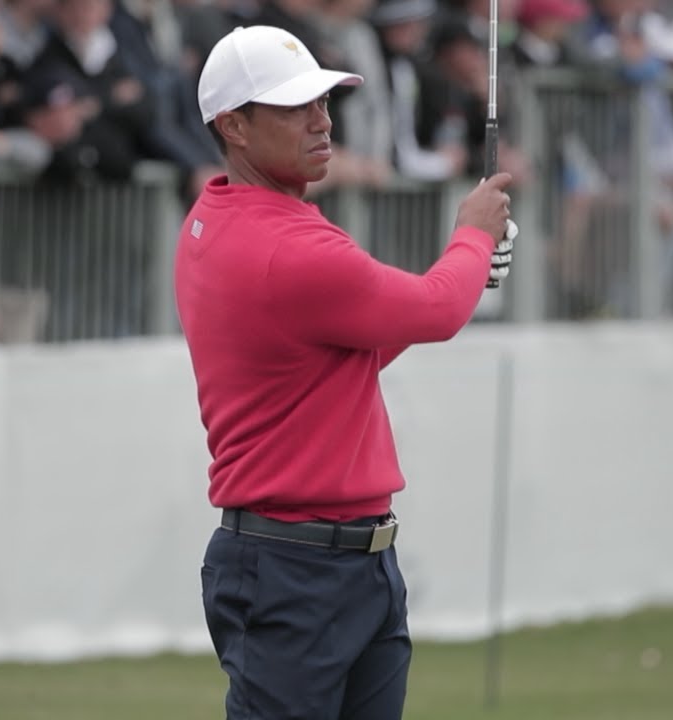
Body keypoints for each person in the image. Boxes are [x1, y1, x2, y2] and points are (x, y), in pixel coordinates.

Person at [174, 24, 515, 719]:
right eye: (294, 107)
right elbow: (432, 310)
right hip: (294, 569)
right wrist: (473, 235)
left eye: (324, 102)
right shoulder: (289, 246)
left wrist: (467, 268)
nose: (322, 121)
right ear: (233, 125)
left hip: (340, 562)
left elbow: (353, 345)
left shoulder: (219, 218)